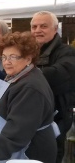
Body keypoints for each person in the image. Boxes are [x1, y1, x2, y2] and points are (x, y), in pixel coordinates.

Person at [0, 31, 57, 163]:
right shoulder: (17, 76)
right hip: (11, 149)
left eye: (13, 57)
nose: (7, 62)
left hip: (29, 153)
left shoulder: (30, 88)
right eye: (4, 57)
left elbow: (16, 131)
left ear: (28, 59)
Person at [30, 11, 75, 163]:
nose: (37, 30)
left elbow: (59, 74)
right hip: (31, 120)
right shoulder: (30, 52)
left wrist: (24, 75)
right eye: (34, 26)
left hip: (55, 121)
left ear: (55, 29)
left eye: (43, 26)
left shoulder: (66, 52)